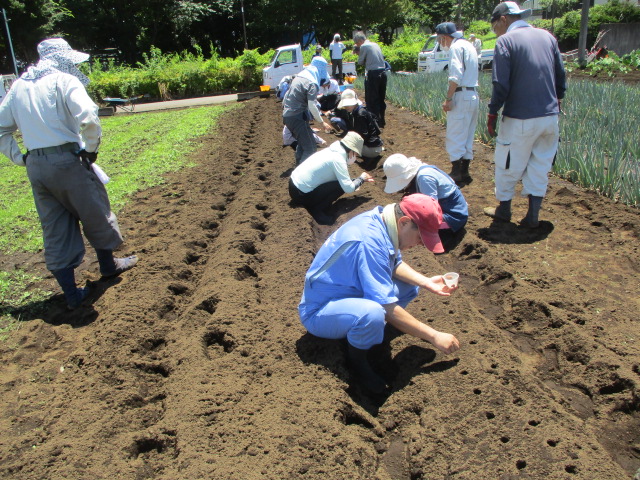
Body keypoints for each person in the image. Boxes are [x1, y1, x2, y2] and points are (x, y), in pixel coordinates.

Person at [0, 38, 138, 309]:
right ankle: (109, 266)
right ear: (62, 58)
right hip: (67, 160)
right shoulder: (63, 81)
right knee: (95, 212)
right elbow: (88, 115)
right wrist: (91, 149)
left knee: (54, 226)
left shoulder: (18, 86)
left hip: (37, 167)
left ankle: (72, 295)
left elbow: (1, 127)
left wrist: (20, 157)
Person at [298, 193, 461, 394]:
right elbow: (386, 306)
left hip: (349, 294)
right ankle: (358, 362)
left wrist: (426, 282)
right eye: (420, 237)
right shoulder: (369, 240)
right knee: (373, 312)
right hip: (320, 310)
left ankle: (369, 334)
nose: (421, 243)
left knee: (409, 286)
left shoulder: (384, 223)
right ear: (404, 222)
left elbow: (394, 264)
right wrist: (434, 336)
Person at [483, 1, 566, 228]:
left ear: (503, 19)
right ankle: (532, 216)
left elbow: (501, 83)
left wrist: (492, 112)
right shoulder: (547, 37)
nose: (495, 32)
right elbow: (560, 74)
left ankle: (504, 210)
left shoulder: (506, 41)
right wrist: (557, 100)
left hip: (520, 117)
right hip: (549, 117)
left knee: (508, 163)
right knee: (540, 164)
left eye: (494, 26)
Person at [289, 132, 373, 225]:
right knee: (340, 186)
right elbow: (348, 188)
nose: (355, 157)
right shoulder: (338, 159)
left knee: (339, 183)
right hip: (302, 195)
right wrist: (361, 178)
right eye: (356, 155)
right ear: (351, 150)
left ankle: (317, 205)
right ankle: (317, 209)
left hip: (293, 186)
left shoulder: (331, 151)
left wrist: (355, 181)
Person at [435, 22, 479, 186]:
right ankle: (465, 171)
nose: (441, 43)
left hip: (461, 94)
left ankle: (456, 172)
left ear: (445, 37)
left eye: (440, 40)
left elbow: (455, 77)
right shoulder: (469, 45)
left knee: (455, 135)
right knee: (468, 135)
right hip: (473, 93)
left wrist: (448, 98)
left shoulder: (455, 48)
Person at [383, 154, 468, 233]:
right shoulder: (424, 170)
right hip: (453, 209)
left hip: (453, 217)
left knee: (411, 224)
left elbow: (430, 210)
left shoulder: (424, 178)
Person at [282, 56, 333, 165]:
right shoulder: (312, 83)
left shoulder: (300, 77)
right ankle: (301, 175)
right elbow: (312, 106)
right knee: (310, 148)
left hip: (288, 116)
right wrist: (322, 122)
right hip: (297, 117)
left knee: (302, 144)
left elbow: (285, 98)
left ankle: (298, 167)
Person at [329, 89, 383, 168]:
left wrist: (352, 144)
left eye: (347, 105)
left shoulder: (360, 114)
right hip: (374, 146)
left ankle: (367, 157)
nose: (345, 107)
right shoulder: (357, 112)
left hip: (372, 149)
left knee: (345, 147)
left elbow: (364, 135)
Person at [353, 31, 388, 128]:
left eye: (357, 43)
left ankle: (374, 121)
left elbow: (360, 62)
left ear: (360, 41)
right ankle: (382, 119)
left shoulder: (364, 46)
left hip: (373, 74)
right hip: (383, 73)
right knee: (381, 98)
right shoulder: (375, 44)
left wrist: (360, 55)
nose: (357, 45)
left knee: (372, 99)